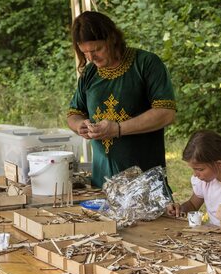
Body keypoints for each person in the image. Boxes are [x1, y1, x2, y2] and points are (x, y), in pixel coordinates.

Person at [67, 11, 175, 188]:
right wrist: (80, 125)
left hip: (144, 181)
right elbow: (74, 113)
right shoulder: (90, 74)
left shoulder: (145, 63)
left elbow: (166, 113)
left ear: (112, 39)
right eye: (85, 53)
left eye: (97, 50)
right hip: (102, 182)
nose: (91, 58)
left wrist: (118, 129)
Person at [170, 130, 221, 226]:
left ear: (219, 164)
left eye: (200, 169)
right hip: (214, 236)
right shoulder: (205, 181)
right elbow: (193, 204)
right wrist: (180, 210)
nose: (195, 174)